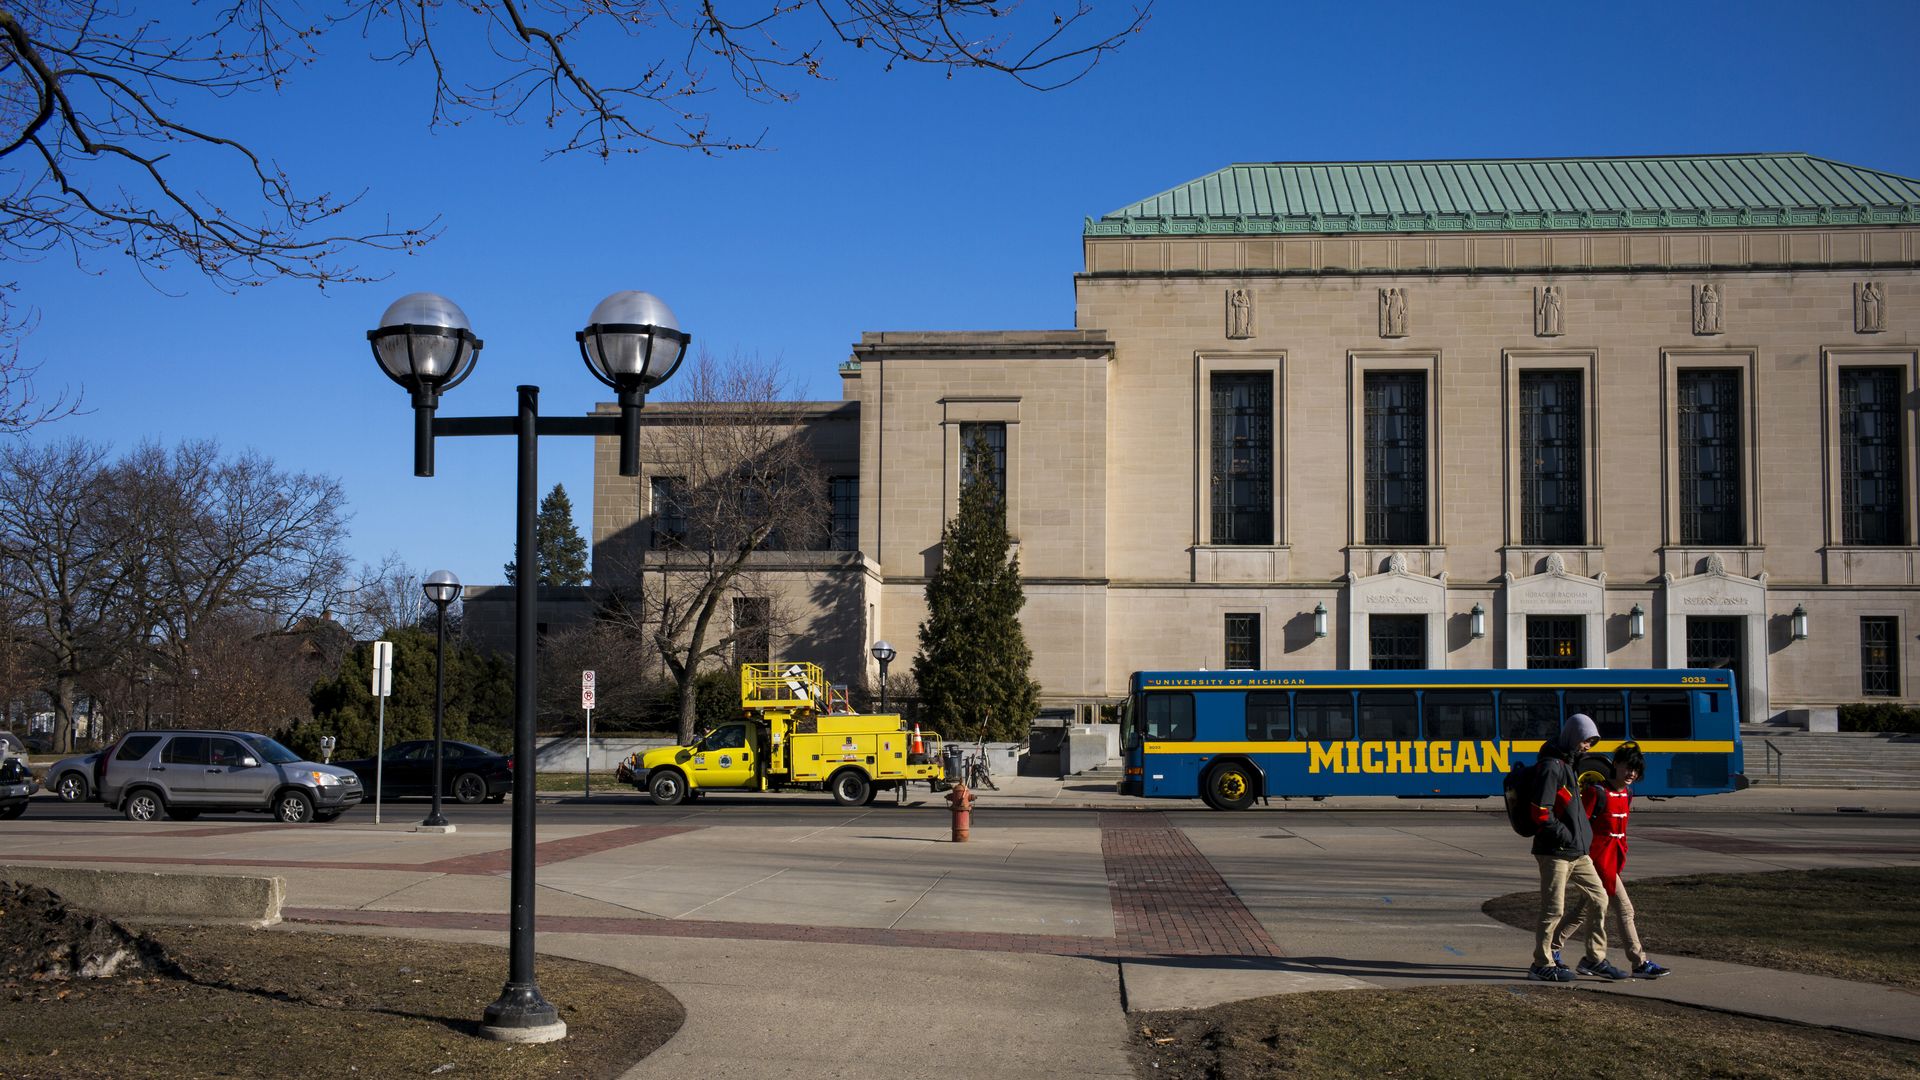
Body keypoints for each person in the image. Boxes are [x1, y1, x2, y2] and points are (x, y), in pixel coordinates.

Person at [1551, 743, 1674, 979]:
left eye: (1636, 770)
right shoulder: (1596, 792)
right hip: (1595, 863)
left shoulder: (1627, 794)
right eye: (1628, 767)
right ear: (1616, 764)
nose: (1631, 774)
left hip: (1613, 862)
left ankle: (1554, 950)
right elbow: (1580, 825)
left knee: (1582, 910)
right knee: (1625, 910)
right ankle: (1638, 962)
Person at [1526, 712, 1629, 982]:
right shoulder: (1552, 766)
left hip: (1578, 852)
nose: (1589, 747)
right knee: (1553, 909)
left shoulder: (1570, 764)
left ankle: (1594, 959)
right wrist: (1565, 836)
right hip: (1555, 852)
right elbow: (1540, 811)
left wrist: (1577, 840)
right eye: (1586, 741)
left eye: (1592, 742)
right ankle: (1541, 963)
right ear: (1573, 736)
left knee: (1599, 899)